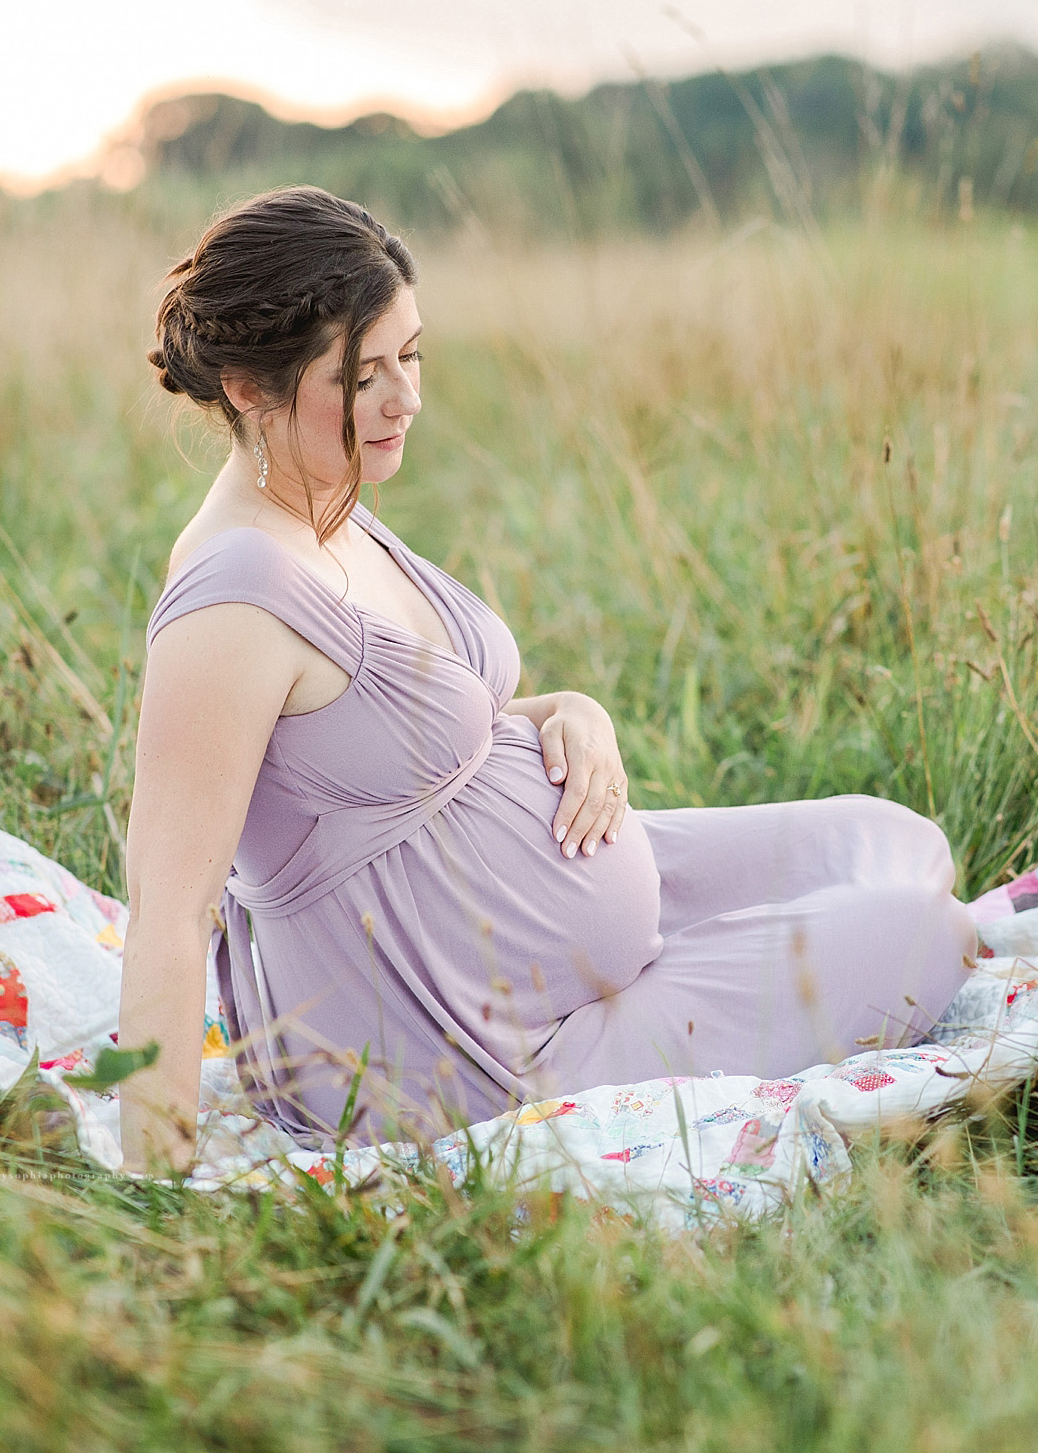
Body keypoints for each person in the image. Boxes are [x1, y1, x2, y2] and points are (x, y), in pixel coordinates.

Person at [116, 186, 977, 1175]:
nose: (407, 398)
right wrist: (161, 1181)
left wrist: (572, 712)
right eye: (365, 374)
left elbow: (365, 736)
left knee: (895, 838)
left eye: (413, 355)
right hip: (468, 1050)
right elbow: (168, 904)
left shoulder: (328, 502)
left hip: (554, 931)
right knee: (923, 930)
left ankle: (660, 956)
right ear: (247, 388)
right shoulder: (233, 601)